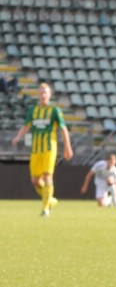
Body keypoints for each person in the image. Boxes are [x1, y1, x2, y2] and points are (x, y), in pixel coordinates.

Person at [11, 82, 73, 216]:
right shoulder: (33, 111)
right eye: (41, 92)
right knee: (35, 181)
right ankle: (49, 199)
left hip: (49, 149)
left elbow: (63, 129)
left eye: (45, 92)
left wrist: (67, 147)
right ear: (38, 94)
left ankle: (45, 209)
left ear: (49, 95)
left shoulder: (55, 111)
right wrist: (18, 137)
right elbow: (26, 126)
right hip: (36, 150)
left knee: (47, 176)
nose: (43, 95)